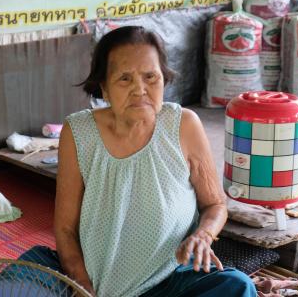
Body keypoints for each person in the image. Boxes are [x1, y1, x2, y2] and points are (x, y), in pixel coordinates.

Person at [18, 26, 256, 297]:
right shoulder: (79, 132)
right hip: (94, 278)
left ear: (163, 81)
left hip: (168, 280)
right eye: (124, 79)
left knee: (236, 287)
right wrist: (83, 286)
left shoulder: (184, 125)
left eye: (150, 77)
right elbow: (65, 228)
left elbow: (215, 205)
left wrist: (204, 235)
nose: (139, 89)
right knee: (20, 277)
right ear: (104, 88)